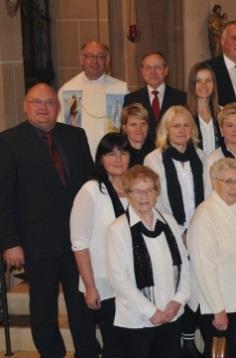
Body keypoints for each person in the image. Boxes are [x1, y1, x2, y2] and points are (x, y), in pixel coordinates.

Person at [0, 83, 99, 357]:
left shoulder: (75, 136)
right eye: (37, 102)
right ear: (25, 106)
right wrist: (10, 243)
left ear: (58, 106)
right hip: (35, 244)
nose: (44, 108)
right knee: (43, 309)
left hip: (77, 242)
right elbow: (3, 197)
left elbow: (90, 184)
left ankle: (87, 352)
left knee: (81, 305)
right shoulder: (8, 141)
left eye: (49, 103)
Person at [106, 165, 191, 358]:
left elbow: (185, 266)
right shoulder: (118, 229)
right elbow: (119, 280)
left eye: (149, 190)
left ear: (156, 193)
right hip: (137, 320)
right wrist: (151, 311)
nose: (144, 196)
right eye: (138, 191)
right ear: (128, 194)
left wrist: (178, 300)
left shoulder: (168, 221)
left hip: (171, 315)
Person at [188, 158, 236, 358]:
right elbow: (203, 268)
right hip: (219, 305)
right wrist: (218, 309)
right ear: (214, 182)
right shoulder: (204, 215)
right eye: (228, 182)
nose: (234, 187)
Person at [143, 105, 206, 356]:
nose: (181, 130)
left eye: (186, 125)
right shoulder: (154, 159)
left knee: (194, 284)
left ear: (192, 129)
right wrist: (178, 232)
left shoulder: (201, 156)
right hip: (169, 232)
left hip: (198, 230)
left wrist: (197, 229)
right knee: (176, 285)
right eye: (176, 125)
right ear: (166, 130)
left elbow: (207, 194)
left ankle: (189, 339)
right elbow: (155, 199)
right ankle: (175, 340)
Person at [70, 133, 131, 357]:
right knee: (102, 345)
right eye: (111, 153)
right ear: (101, 158)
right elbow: (79, 243)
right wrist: (90, 286)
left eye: (123, 152)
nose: (118, 159)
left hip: (128, 281)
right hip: (101, 282)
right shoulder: (91, 190)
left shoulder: (136, 189)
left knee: (123, 346)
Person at [57, 41, 128, 155]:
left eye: (100, 56)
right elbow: (61, 129)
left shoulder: (121, 89)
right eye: (89, 56)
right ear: (82, 60)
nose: (94, 61)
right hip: (78, 154)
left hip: (112, 154)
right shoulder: (68, 90)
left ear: (107, 60)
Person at [124, 51, 187, 145]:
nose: (152, 72)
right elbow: (125, 133)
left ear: (166, 70)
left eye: (157, 67)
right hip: (141, 155)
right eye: (148, 67)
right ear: (142, 71)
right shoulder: (131, 99)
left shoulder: (181, 98)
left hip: (172, 153)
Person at [187, 62, 222, 156]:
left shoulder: (223, 113)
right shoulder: (184, 115)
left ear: (214, 84)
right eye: (198, 81)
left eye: (208, 80)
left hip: (220, 167)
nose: (204, 85)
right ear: (192, 85)